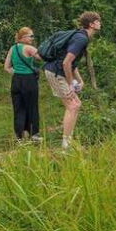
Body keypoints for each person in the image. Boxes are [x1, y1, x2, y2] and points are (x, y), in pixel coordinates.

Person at [43, 11, 101, 150]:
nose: (100, 23)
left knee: (76, 104)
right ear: (92, 24)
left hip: (58, 72)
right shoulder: (81, 39)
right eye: (98, 21)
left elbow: (72, 63)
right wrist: (70, 84)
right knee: (72, 106)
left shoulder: (82, 36)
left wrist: (80, 80)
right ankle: (66, 144)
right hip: (56, 72)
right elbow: (66, 63)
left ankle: (68, 140)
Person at [4, 27, 42, 142]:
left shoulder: (12, 48)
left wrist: (17, 73)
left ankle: (19, 136)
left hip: (16, 80)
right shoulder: (29, 48)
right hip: (29, 80)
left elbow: (6, 67)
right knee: (32, 106)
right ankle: (34, 134)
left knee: (18, 107)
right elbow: (41, 57)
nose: (32, 38)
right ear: (23, 37)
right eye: (31, 36)